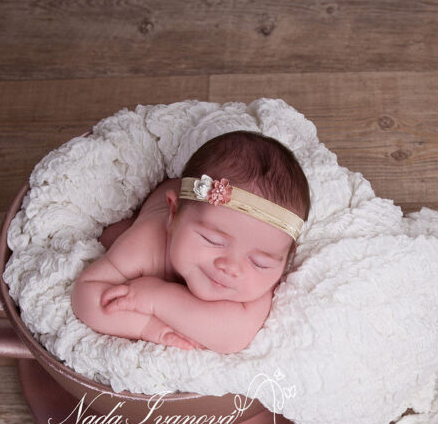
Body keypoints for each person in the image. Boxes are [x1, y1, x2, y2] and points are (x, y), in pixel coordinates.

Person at [71, 131, 310, 354]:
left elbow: (231, 337)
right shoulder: (147, 243)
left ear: (286, 260)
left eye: (260, 262)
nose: (231, 267)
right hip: (169, 209)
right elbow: (85, 295)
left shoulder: (258, 282)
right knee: (110, 237)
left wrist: (158, 299)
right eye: (212, 239)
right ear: (173, 214)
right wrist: (147, 326)